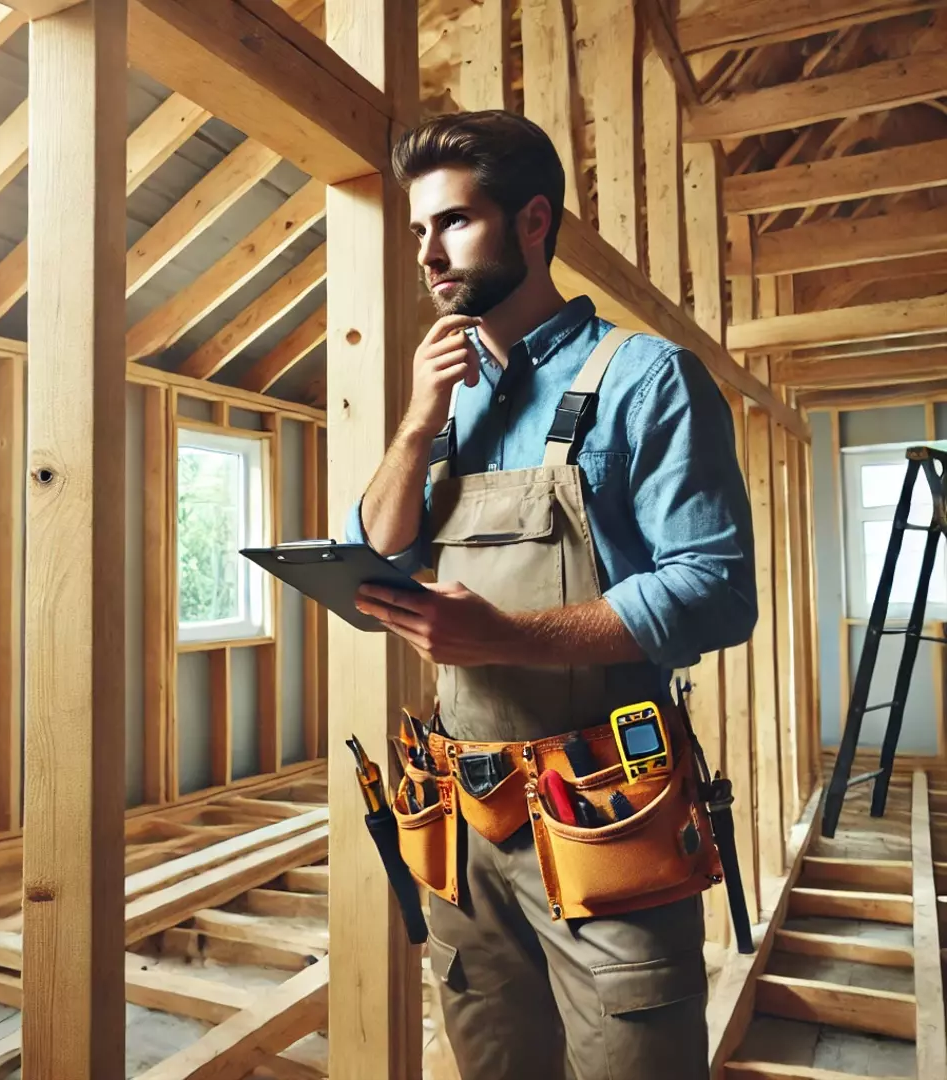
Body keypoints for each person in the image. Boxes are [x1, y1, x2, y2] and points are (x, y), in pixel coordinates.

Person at [344, 110, 757, 1080]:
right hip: (464, 821)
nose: (429, 254)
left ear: (534, 223)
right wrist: (414, 422)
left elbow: (716, 590)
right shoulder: (448, 394)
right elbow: (380, 545)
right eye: (417, 232)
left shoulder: (646, 379)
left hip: (606, 814)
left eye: (453, 223)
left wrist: (504, 637)